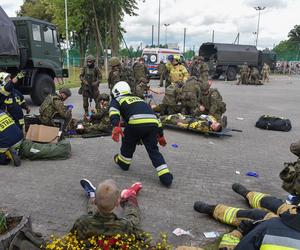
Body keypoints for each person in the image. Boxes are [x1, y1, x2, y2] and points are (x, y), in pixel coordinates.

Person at [194, 183, 300, 250]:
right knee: (272, 204)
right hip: (294, 216)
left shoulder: (270, 227)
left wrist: (238, 232)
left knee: (259, 216)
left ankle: (214, 210)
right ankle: (248, 194)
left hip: (287, 224)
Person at [109, 81, 173, 187]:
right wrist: (160, 135)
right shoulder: (140, 99)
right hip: (152, 125)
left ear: (116, 92)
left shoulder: (118, 99)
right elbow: (155, 117)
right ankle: (166, 177)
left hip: (135, 124)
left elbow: (113, 111)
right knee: (153, 151)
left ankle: (123, 163)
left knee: (128, 142)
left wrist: (116, 125)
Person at [71, 178, 142, 241]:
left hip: (90, 227)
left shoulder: (82, 222)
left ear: (94, 201)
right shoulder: (124, 225)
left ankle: (92, 194)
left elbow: (72, 237)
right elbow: (137, 237)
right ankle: (130, 196)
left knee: (90, 217)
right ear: (117, 203)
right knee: (133, 217)